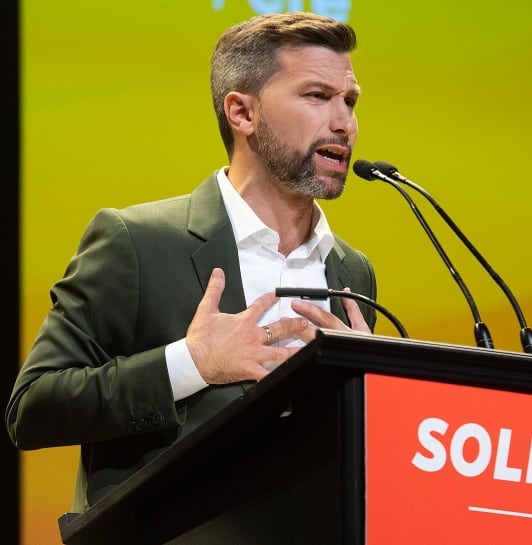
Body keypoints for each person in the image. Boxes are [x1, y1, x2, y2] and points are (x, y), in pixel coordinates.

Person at [5, 11, 376, 513]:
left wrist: (370, 393)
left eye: (349, 101)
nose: (344, 123)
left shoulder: (351, 272)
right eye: (317, 96)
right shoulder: (137, 242)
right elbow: (34, 408)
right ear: (242, 113)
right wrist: (192, 364)